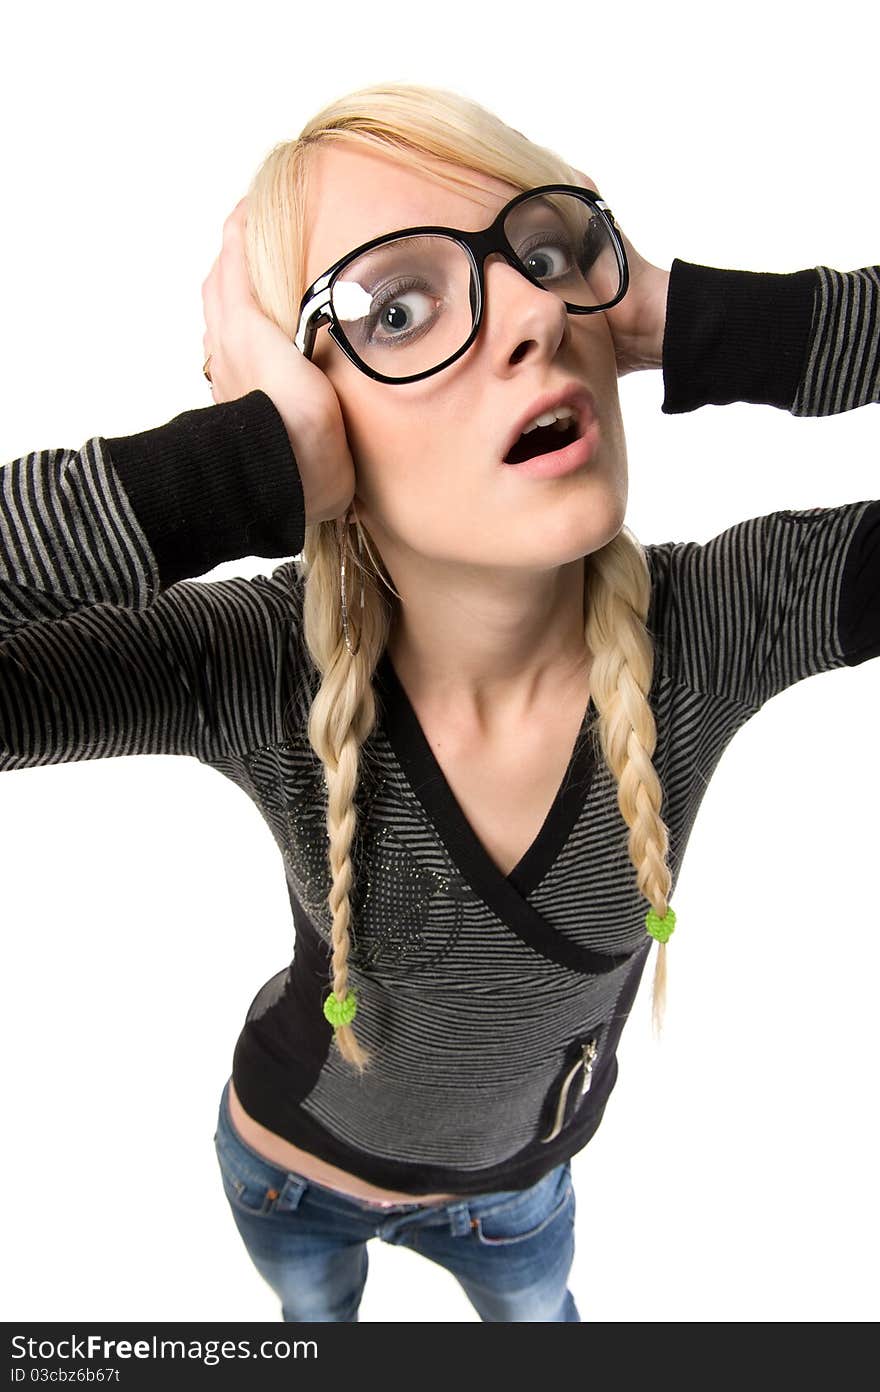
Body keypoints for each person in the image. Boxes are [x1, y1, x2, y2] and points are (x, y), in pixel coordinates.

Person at [1, 80, 877, 1323]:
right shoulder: (255, 669)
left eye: (548, 256)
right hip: (286, 1176)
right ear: (302, 414)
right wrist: (234, 468)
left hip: (521, 1200)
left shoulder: (722, 626)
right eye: (396, 307)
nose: (533, 309)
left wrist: (698, 317)